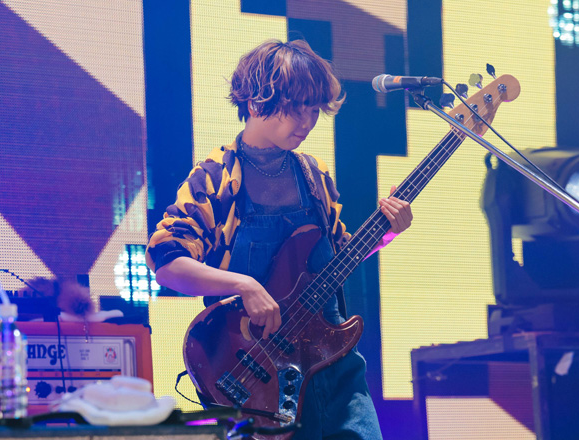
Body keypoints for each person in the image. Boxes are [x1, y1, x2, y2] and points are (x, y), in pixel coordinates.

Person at [146, 39, 412, 440]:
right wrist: (244, 285)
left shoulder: (314, 175)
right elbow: (166, 263)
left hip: (333, 364)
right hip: (260, 378)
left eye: (314, 110)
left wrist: (386, 232)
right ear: (257, 102)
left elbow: (336, 259)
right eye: (297, 108)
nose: (307, 122)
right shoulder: (215, 176)